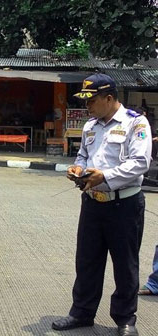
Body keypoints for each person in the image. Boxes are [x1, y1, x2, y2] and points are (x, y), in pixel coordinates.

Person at [52, 74, 152, 336]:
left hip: (124, 205)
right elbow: (84, 154)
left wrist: (105, 177)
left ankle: (125, 319)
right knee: (87, 260)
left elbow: (140, 162)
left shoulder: (135, 123)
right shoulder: (90, 126)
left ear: (109, 98)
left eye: (92, 101)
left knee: (125, 263)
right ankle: (82, 313)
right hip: (93, 203)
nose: (88, 107)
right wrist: (78, 168)